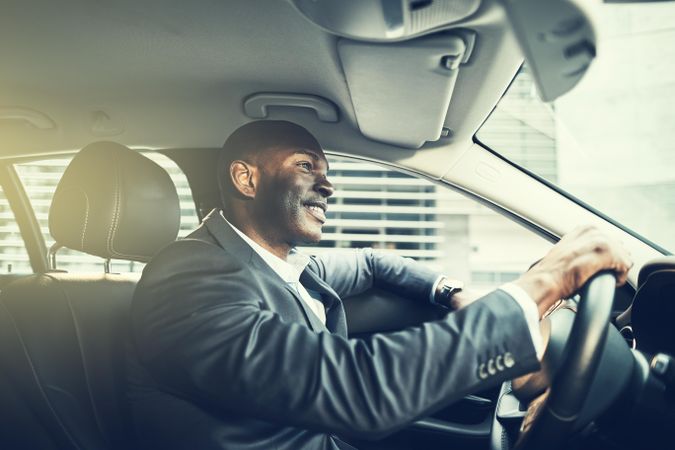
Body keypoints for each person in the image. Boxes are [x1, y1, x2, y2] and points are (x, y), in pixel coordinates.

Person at [127, 120, 632, 450]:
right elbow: (357, 388)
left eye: (326, 173)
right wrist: (546, 282)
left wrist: (453, 293)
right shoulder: (186, 278)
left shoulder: (281, 263)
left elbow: (372, 263)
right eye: (307, 166)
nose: (328, 185)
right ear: (246, 179)